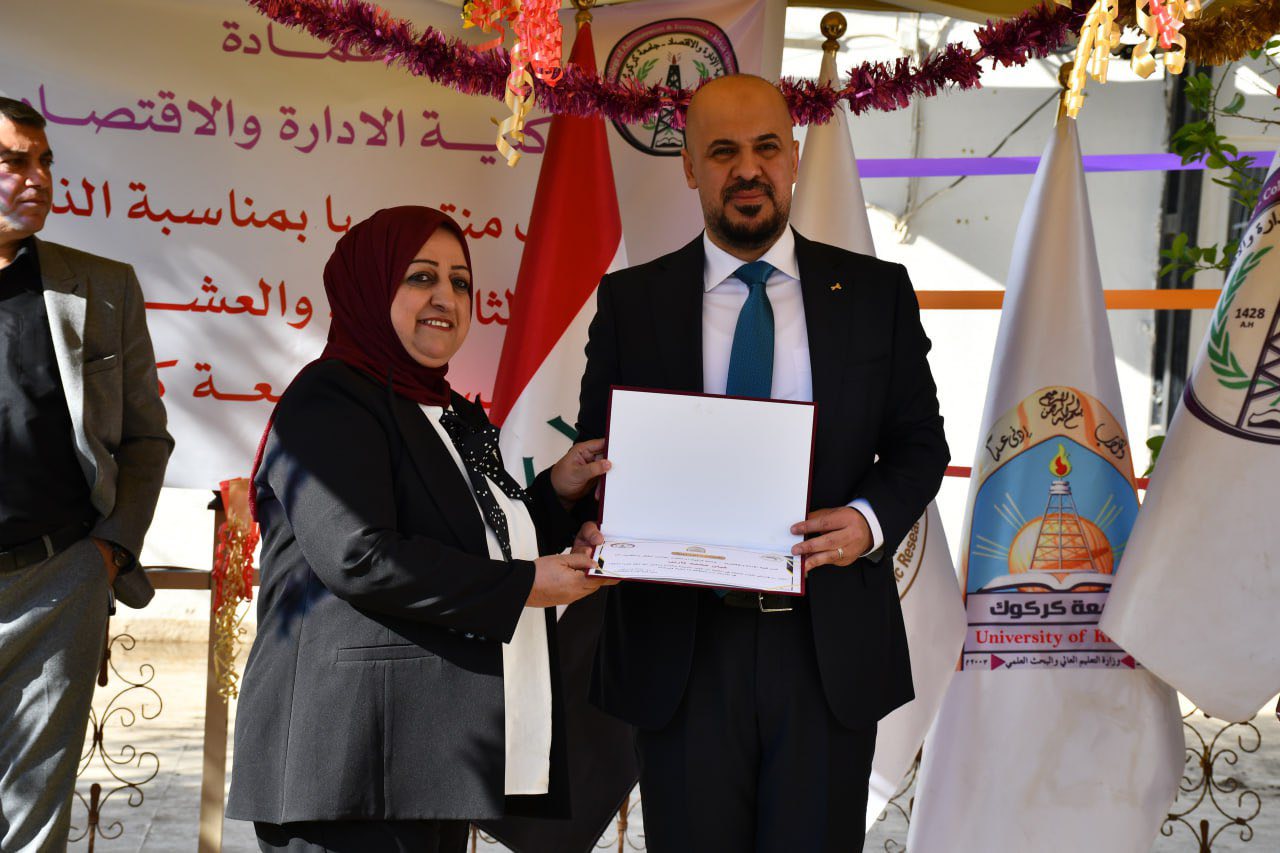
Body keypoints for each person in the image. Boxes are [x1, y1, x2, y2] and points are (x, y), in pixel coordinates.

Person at [572, 75, 950, 851]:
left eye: (766, 148)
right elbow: (598, 451)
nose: (748, 169)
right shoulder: (631, 303)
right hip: (682, 652)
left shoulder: (875, 294)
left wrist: (866, 522)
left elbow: (921, 443)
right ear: (689, 167)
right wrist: (592, 517)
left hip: (825, 648)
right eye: (722, 152)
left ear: (795, 157)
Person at [226, 206, 615, 853]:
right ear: (371, 287)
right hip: (348, 760)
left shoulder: (447, 411)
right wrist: (524, 586)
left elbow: (473, 535)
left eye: (460, 282)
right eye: (421, 276)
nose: (446, 297)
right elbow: (358, 554)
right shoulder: (330, 398)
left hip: (425, 758)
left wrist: (558, 492)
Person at [0, 96, 172, 850]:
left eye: (44, 161)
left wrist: (108, 551)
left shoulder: (101, 287)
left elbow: (145, 439)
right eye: (13, 162)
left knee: (33, 827)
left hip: (56, 586)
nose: (37, 178)